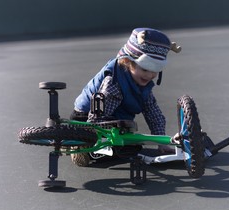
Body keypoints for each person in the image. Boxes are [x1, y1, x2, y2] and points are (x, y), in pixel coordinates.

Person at [70, 27, 182, 166]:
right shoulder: (114, 81)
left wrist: (161, 143)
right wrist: (96, 137)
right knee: (118, 148)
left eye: (155, 71)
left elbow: (153, 113)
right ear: (128, 62)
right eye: (145, 69)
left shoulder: (143, 86)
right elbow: (98, 114)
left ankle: (98, 147)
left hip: (112, 118)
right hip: (87, 118)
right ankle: (82, 147)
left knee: (131, 148)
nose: (150, 75)